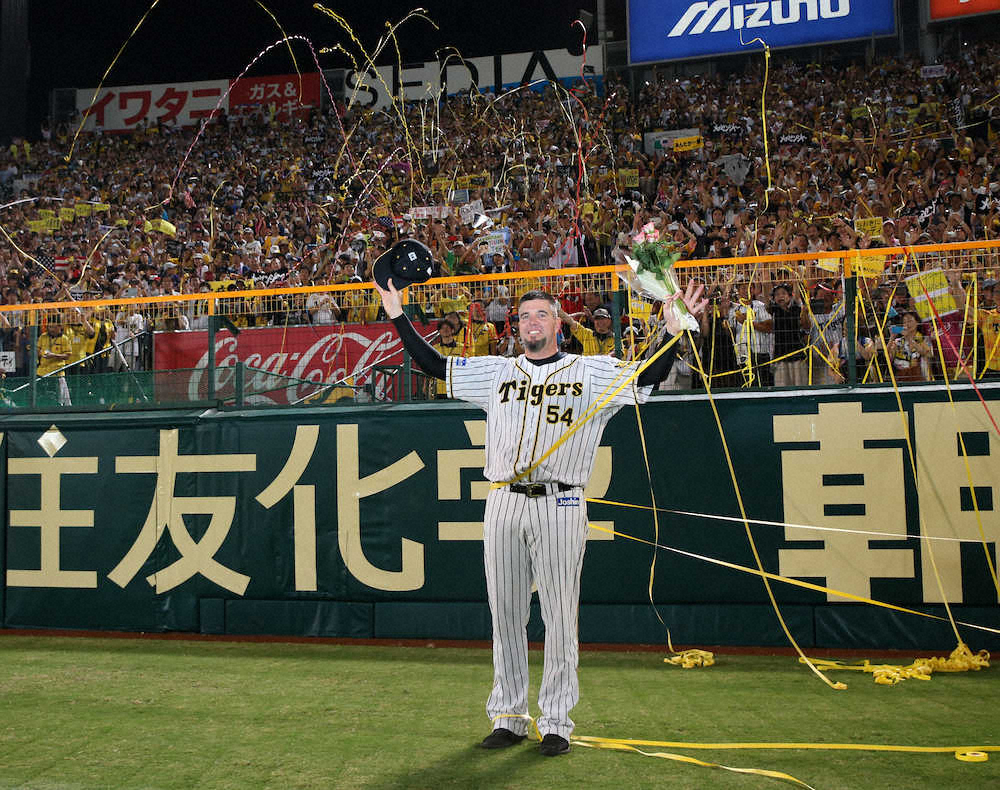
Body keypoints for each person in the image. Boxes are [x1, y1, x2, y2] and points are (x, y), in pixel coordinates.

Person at [375, 277, 706, 757]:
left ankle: (556, 722)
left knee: (558, 614)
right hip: (504, 500)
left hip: (562, 501)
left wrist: (674, 333)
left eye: (542, 314)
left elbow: (645, 379)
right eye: (525, 316)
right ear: (518, 327)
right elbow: (433, 364)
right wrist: (396, 313)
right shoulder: (496, 372)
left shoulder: (590, 371)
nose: (532, 322)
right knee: (506, 613)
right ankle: (508, 716)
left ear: (559, 324)